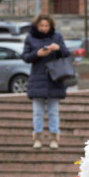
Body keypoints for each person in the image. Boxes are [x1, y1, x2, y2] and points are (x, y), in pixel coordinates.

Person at [22, 14, 70, 149]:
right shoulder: (31, 38)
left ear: (51, 26)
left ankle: (54, 138)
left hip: (55, 79)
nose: (44, 28)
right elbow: (25, 56)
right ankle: (37, 138)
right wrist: (37, 54)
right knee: (37, 111)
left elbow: (66, 53)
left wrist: (58, 48)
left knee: (53, 111)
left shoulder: (57, 37)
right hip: (37, 78)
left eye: (47, 26)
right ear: (37, 26)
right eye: (42, 26)